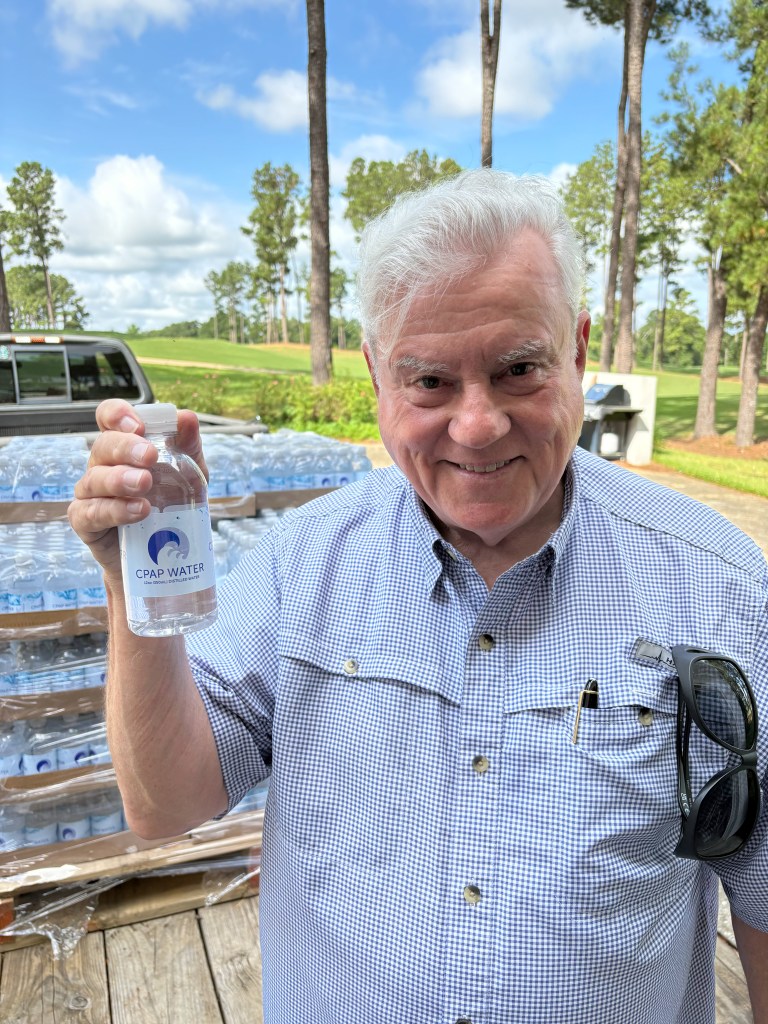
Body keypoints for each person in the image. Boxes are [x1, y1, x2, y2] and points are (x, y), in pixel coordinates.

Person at [69, 169, 768, 1024]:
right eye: (430, 382)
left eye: (518, 370)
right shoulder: (303, 564)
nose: (476, 425)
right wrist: (127, 577)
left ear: (578, 351)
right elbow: (165, 803)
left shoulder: (721, 588)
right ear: (376, 376)